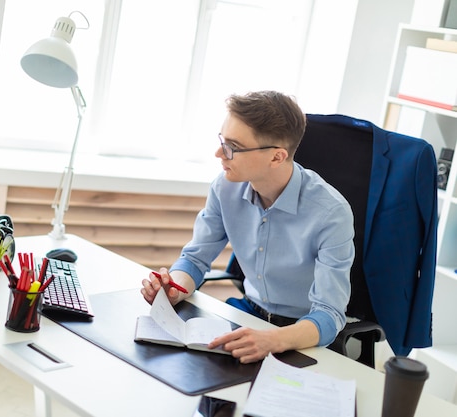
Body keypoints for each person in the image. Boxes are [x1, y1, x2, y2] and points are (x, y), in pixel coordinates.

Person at [141, 91, 354, 364]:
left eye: (233, 147)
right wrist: (174, 289)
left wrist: (273, 339)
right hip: (247, 314)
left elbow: (329, 313)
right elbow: (195, 259)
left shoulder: (331, 213)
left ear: (277, 157)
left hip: (301, 333)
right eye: (221, 140)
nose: (219, 153)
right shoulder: (224, 187)